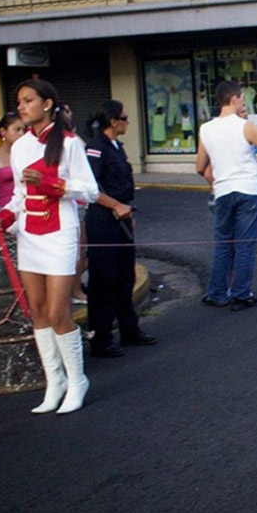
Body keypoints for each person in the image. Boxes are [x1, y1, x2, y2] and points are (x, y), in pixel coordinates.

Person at [0, 79, 99, 414]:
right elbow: (19, 196)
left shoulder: (69, 144)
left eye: (28, 100)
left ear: (48, 103)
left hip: (59, 233)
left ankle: (77, 378)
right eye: (19, 102)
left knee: (57, 312)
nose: (22, 107)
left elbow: (90, 191)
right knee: (37, 311)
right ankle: (55, 381)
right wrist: (6, 215)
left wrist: (54, 184)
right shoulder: (21, 146)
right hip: (29, 235)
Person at [84, 100, 156, 358]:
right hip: (103, 219)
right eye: (124, 117)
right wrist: (115, 206)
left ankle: (129, 330)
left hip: (121, 217)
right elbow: (91, 187)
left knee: (125, 276)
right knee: (103, 280)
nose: (127, 121)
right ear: (113, 121)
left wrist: (125, 211)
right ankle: (101, 338)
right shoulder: (95, 148)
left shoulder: (117, 147)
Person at [196, 81, 257, 310]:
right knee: (245, 245)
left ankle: (217, 292)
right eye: (242, 98)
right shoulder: (245, 126)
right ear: (235, 97)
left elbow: (200, 166)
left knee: (223, 244)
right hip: (248, 188)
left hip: (223, 190)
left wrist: (216, 182)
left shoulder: (206, 129)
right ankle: (241, 293)